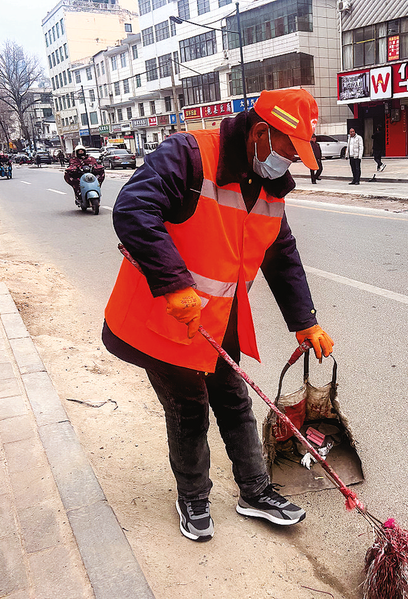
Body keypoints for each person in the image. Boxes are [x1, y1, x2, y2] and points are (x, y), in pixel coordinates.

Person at [102, 88, 334, 543]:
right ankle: (193, 497)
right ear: (261, 133)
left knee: (234, 401)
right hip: (166, 316)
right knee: (189, 409)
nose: (290, 162)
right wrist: (174, 284)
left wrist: (305, 320)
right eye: (289, 151)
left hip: (218, 320)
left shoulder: (269, 187)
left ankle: (255, 492)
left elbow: (281, 255)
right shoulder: (189, 155)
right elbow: (133, 208)